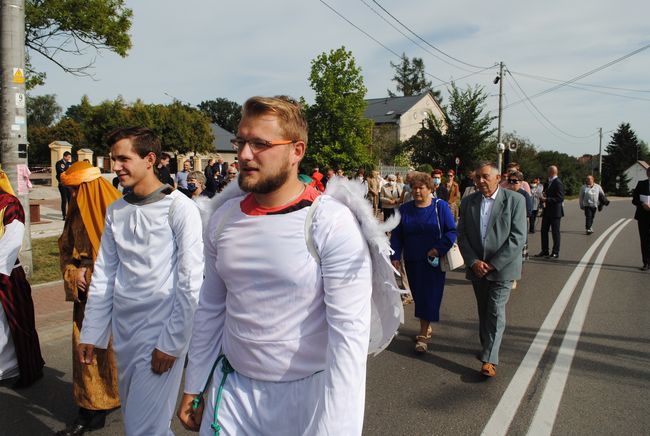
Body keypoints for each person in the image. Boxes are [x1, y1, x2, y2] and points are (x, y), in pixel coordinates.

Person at [177, 95, 372, 435]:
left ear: (297, 151)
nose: (244, 154)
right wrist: (194, 385)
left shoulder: (329, 223)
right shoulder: (222, 220)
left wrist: (337, 428)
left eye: (260, 144)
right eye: (241, 141)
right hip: (232, 394)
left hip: (305, 400)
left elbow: (349, 338)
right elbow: (210, 308)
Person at [78, 127, 204, 435]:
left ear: (150, 159)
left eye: (123, 158)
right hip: (125, 331)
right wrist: (91, 332)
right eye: (113, 159)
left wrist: (172, 343)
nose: (116, 167)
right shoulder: (116, 210)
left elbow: (191, 281)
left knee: (143, 427)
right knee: (145, 422)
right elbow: (106, 273)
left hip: (160, 331)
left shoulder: (180, 208)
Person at [56, 161, 122, 436]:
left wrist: (96, 272)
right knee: (87, 349)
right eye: (68, 192)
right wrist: (74, 273)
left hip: (113, 295)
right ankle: (92, 407)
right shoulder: (75, 212)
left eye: (74, 191)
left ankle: (110, 398)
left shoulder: (117, 210)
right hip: (86, 297)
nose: (71, 197)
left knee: (111, 351)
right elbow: (66, 249)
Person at [457, 162, 527, 377]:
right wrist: (474, 262)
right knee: (484, 310)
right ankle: (487, 346)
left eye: (485, 176)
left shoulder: (515, 200)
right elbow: (462, 235)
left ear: (498, 178)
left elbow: (517, 237)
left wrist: (494, 263)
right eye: (477, 177)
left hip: (503, 268)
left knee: (495, 309)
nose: (480, 181)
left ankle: (489, 359)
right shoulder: (469, 202)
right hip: (478, 267)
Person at [390, 172, 456, 353]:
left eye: (422, 188)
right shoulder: (404, 209)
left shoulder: (440, 206)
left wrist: (438, 248)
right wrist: (395, 256)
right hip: (412, 260)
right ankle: (426, 324)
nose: (418, 191)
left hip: (433, 261)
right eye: (415, 187)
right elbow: (397, 235)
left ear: (430, 188)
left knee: (430, 295)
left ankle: (423, 335)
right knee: (419, 297)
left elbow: (451, 231)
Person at [0, 169, 45, 388]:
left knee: (13, 325)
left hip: (6, 276)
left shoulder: (9, 204)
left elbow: (11, 241)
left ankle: (19, 367)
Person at [535, 165, 564, 259]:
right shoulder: (549, 182)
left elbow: (560, 198)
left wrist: (547, 199)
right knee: (543, 231)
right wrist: (543, 195)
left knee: (555, 232)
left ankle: (555, 252)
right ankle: (545, 250)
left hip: (555, 212)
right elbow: (548, 193)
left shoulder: (558, 182)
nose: (547, 172)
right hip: (547, 211)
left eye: (548, 171)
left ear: (552, 172)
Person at [632, 166, 650, 271]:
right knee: (644, 240)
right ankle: (646, 263)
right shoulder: (641, 184)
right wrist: (642, 204)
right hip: (643, 216)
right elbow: (634, 200)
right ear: (647, 174)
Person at [56, 151, 73, 219]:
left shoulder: (70, 164)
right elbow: (61, 171)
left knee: (70, 200)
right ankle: (64, 215)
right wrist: (68, 172)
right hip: (62, 184)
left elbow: (73, 170)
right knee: (64, 200)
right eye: (68, 157)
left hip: (69, 184)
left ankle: (70, 214)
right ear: (64, 156)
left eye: (69, 157)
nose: (69, 158)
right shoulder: (59, 163)